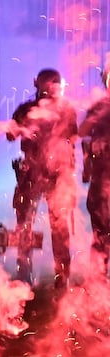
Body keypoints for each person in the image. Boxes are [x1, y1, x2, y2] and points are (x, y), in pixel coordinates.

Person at [9, 68, 79, 288]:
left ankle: (60, 274)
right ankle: (26, 270)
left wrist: (69, 175)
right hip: (32, 173)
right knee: (25, 223)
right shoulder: (27, 109)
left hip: (55, 174)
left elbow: (71, 142)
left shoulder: (65, 110)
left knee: (57, 226)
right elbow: (11, 134)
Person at [81, 75, 110, 277]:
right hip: (101, 179)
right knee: (100, 230)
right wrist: (86, 167)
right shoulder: (98, 107)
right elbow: (83, 134)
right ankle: (98, 277)